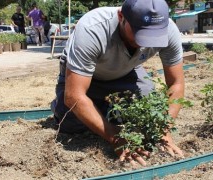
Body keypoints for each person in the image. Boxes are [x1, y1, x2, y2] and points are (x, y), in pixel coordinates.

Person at [51, 0, 185, 166]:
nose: (145, 42)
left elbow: (176, 84)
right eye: (140, 34)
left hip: (126, 70)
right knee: (72, 124)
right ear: (121, 16)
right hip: (86, 75)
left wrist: (163, 130)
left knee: (146, 115)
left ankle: (102, 107)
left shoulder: (169, 31)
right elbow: (74, 96)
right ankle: (61, 105)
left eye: (152, 36)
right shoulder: (93, 28)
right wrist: (115, 137)